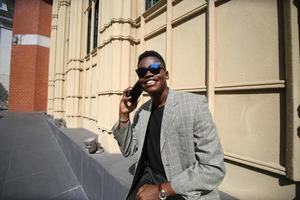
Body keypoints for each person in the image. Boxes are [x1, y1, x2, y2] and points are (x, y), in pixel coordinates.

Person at [112, 50, 225, 200]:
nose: (148, 74)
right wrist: (124, 114)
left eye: (154, 68)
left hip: (183, 190)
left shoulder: (194, 105)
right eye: (141, 71)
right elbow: (128, 150)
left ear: (166, 74)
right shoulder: (142, 112)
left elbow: (213, 168)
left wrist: (161, 190)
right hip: (147, 182)